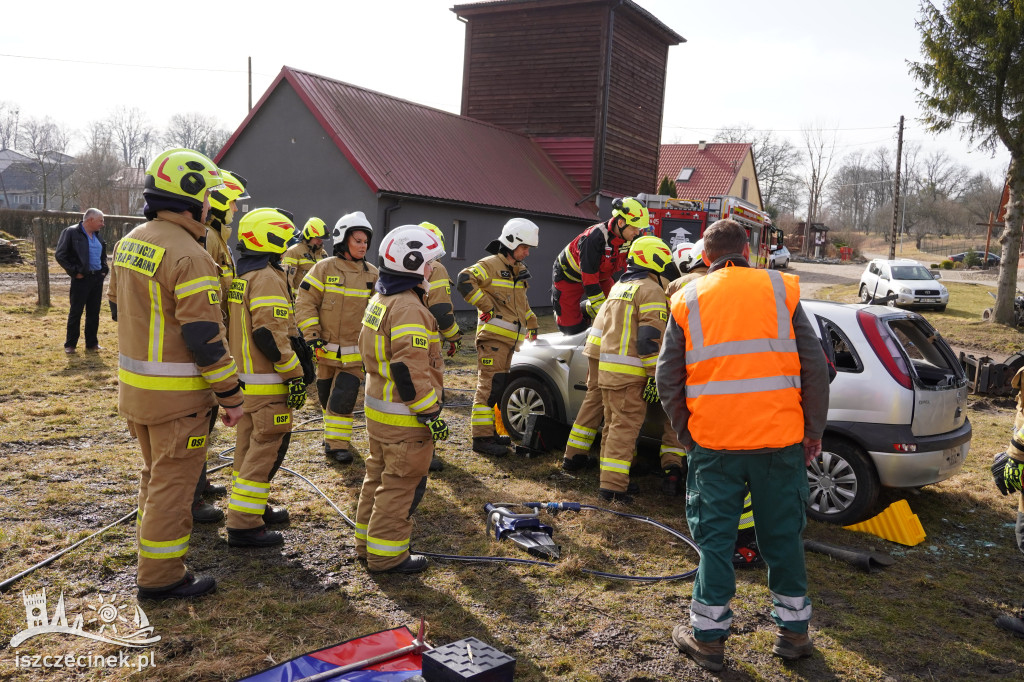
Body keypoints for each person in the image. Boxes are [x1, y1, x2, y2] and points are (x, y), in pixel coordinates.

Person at [656, 219, 829, 671]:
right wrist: (813, 431)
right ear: (748, 251)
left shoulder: (687, 297)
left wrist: (687, 434)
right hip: (779, 442)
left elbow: (667, 378)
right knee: (783, 538)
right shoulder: (779, 289)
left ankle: (709, 640)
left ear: (705, 257)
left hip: (714, 445)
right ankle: (794, 635)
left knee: (715, 543)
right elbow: (814, 367)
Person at [114, 148, 243, 601]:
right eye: (207, 195)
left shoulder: (131, 241)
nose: (210, 205)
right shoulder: (190, 254)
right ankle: (162, 576)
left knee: (155, 478)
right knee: (173, 486)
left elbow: (118, 309)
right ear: (190, 197)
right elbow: (205, 338)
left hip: (137, 393)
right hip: (178, 399)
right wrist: (231, 396)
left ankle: (153, 564)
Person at [356, 224, 448, 574]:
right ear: (412, 263)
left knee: (376, 478)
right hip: (405, 418)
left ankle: (366, 546)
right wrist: (431, 413)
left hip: (379, 412)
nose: (432, 269)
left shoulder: (380, 299)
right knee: (399, 486)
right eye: (429, 262)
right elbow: (408, 369)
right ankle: (386, 557)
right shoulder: (409, 307)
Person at [225, 207, 309, 548]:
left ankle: (248, 507)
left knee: (246, 449)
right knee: (264, 451)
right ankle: (245, 524)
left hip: (246, 382)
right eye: (283, 240)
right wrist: (295, 375)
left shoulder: (244, 275)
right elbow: (269, 334)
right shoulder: (267, 278)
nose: (286, 247)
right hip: (268, 383)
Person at [590, 236, 683, 502]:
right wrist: (654, 375)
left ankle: (609, 477)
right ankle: (613, 488)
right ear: (656, 260)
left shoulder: (619, 287)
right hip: (631, 375)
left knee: (612, 427)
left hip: (609, 371)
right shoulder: (651, 290)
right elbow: (648, 339)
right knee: (624, 430)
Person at [191, 169, 252, 522]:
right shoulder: (208, 238)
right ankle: (192, 495)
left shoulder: (216, 237)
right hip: (208, 340)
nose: (235, 210)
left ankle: (199, 482)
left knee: (207, 418)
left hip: (220, 336)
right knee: (198, 421)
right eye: (231, 203)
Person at [295, 211, 378, 463]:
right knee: (325, 395)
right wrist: (311, 335)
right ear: (343, 241)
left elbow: (380, 313)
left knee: (344, 395)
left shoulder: (372, 274)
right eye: (358, 241)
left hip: (355, 353)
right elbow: (306, 302)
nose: (363, 246)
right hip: (324, 350)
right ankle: (331, 435)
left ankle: (337, 445)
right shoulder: (323, 268)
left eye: (365, 242)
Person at [456, 218, 540, 456]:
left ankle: (489, 433)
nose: (527, 253)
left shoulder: (519, 270)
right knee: (488, 387)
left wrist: (532, 323)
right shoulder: (491, 264)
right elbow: (464, 279)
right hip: (492, 339)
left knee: (498, 387)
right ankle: (481, 439)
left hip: (508, 341)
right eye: (524, 247)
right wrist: (486, 306)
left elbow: (521, 304)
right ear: (511, 242)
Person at [551, 197, 649, 335]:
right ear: (621, 223)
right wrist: (604, 315)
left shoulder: (633, 237)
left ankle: (587, 308)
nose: (638, 232)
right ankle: (582, 311)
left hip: (602, 276)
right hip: (569, 277)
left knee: (618, 310)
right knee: (571, 328)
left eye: (639, 228)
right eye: (634, 228)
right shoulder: (593, 239)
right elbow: (590, 282)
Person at [418, 222, 463, 471]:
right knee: (430, 395)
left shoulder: (398, 266)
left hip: (400, 339)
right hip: (426, 343)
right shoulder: (436, 267)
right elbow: (442, 312)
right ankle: (426, 451)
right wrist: (454, 337)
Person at [56, 208, 109, 353]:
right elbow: (60, 255)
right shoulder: (71, 232)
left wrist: (104, 271)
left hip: (97, 279)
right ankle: (70, 345)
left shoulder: (97, 235)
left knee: (94, 312)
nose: (103, 224)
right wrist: (75, 272)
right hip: (81, 279)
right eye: (100, 221)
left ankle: (92, 343)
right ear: (90, 219)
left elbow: (103, 255)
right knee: (76, 311)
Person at [283, 218, 327, 298]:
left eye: (321, 238)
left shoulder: (323, 254)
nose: (320, 241)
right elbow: (286, 280)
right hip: (300, 301)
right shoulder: (293, 252)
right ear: (308, 236)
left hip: (318, 301)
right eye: (317, 238)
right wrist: (291, 301)